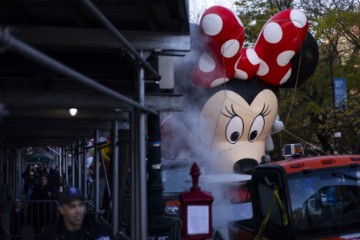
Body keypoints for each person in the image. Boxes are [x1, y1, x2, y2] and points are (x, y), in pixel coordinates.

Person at [40, 187, 115, 240]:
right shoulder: (51, 236)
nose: (78, 210)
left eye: (81, 205)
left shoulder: (101, 231)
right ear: (61, 210)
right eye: (72, 206)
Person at [0, 172, 12, 240]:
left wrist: (4, 208)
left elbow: (11, 200)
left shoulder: (7, 188)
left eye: (1, 177)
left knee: (5, 231)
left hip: (4, 213)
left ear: (3, 178)